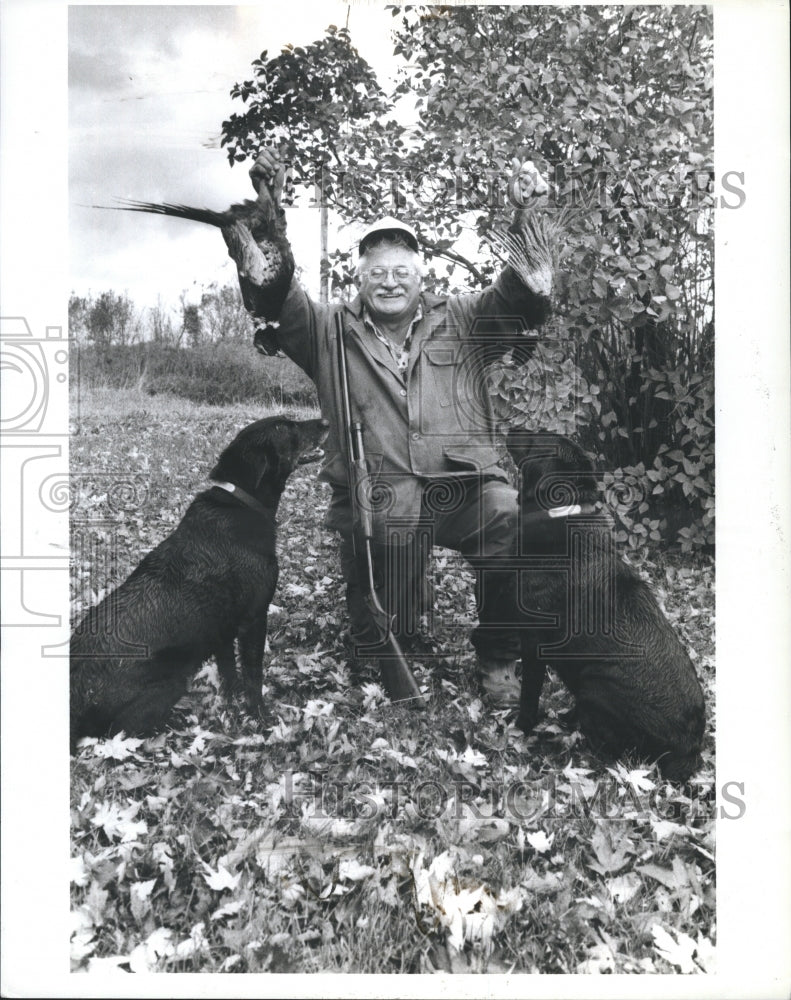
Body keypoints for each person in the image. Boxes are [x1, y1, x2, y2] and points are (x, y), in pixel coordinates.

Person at [235, 149, 556, 707]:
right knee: (383, 636)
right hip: (381, 498)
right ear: (359, 278)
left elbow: (520, 293)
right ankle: (395, 621)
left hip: (463, 487)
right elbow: (276, 297)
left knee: (512, 518)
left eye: (401, 272)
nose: (390, 283)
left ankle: (499, 657)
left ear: (420, 276)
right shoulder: (326, 328)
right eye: (377, 273)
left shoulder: (464, 316)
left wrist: (530, 214)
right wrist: (269, 220)